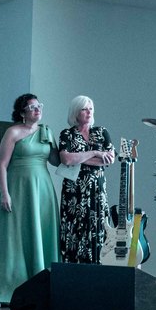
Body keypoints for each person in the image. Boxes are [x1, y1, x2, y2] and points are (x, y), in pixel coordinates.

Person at [0, 93, 60, 306]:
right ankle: (1, 293)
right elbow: (1, 164)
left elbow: (56, 161)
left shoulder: (46, 132)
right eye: (32, 107)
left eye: (39, 106)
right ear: (22, 112)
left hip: (42, 191)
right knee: (11, 241)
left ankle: (40, 292)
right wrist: (5, 193)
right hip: (17, 189)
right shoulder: (13, 132)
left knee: (40, 236)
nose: (37, 109)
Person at [59, 95, 115, 263]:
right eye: (84, 109)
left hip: (96, 189)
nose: (89, 112)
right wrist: (96, 153)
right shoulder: (67, 134)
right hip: (74, 190)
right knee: (74, 229)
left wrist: (79, 157)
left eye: (91, 109)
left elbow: (109, 159)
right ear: (75, 113)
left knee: (98, 228)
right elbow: (66, 159)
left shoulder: (102, 132)